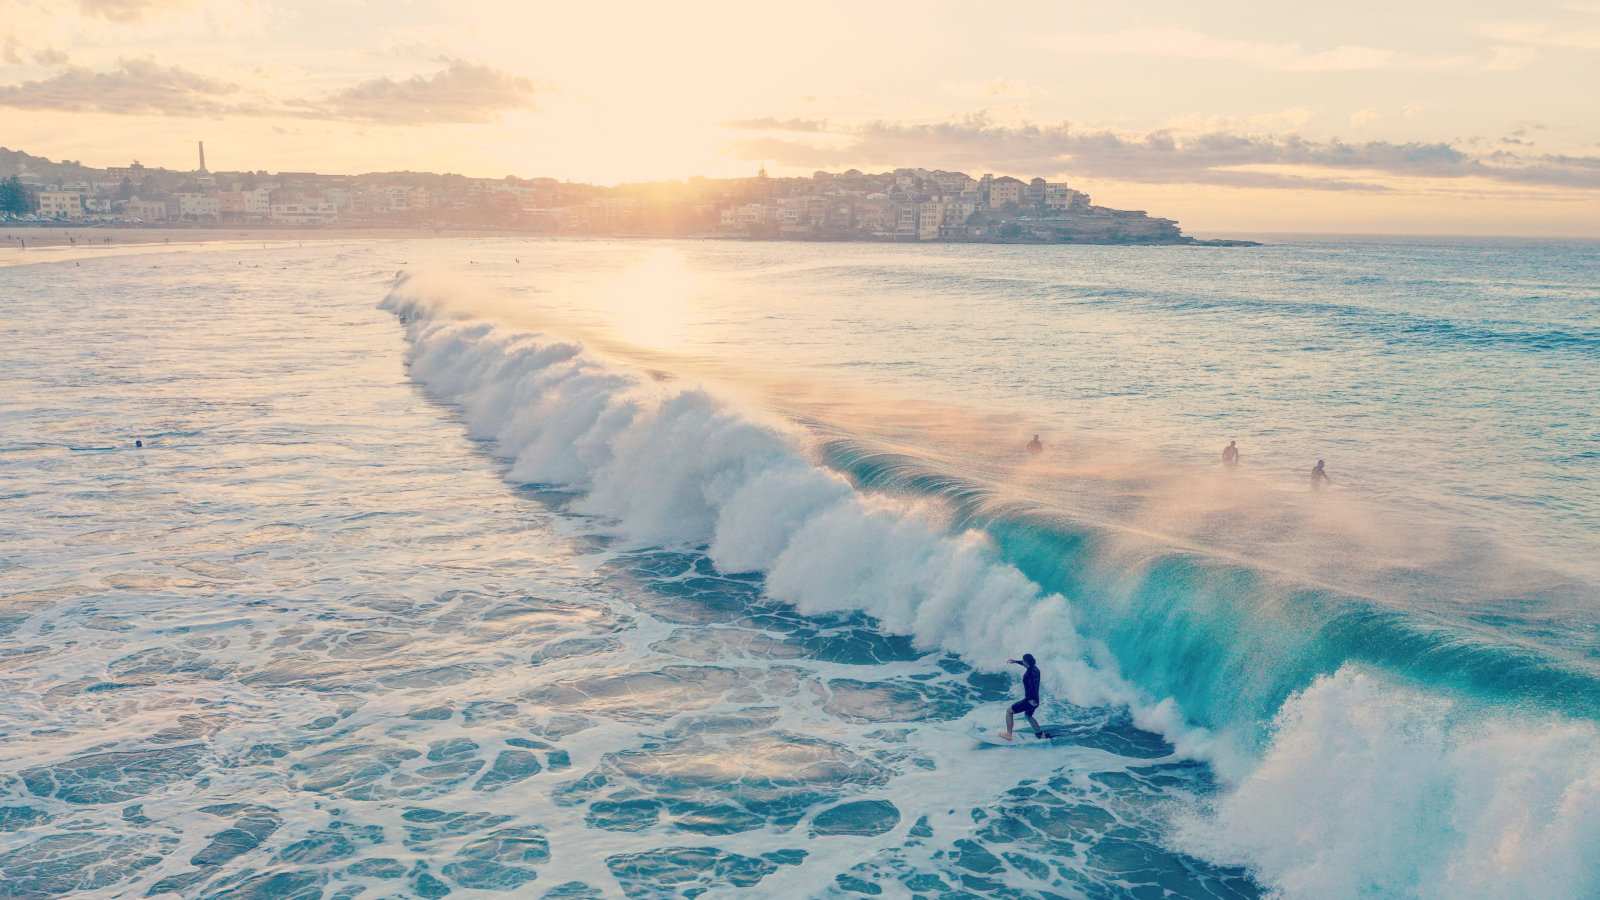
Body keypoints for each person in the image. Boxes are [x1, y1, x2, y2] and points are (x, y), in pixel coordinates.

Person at [1002, 653, 1046, 740]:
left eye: (1023, 661)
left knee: (1009, 711)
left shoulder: (1029, 674)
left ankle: (1009, 735)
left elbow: (1031, 687)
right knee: (1028, 715)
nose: (1022, 662)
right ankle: (1040, 734)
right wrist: (1015, 661)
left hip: (1030, 700)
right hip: (1036, 700)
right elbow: (1024, 663)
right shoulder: (1035, 669)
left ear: (1026, 662)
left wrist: (1030, 700)